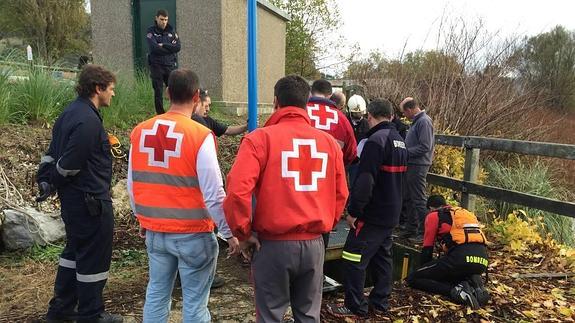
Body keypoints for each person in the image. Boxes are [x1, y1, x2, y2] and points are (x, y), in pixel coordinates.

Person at [223, 75, 349, 323]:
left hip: (273, 245)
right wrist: (324, 226)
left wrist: (243, 232)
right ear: (306, 104)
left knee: (270, 315)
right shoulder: (329, 144)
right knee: (309, 316)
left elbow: (237, 191)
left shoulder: (259, 139)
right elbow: (341, 194)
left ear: (275, 102)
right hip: (314, 244)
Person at [127, 69, 240, 323]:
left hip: (155, 233)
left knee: (156, 294)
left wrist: (143, 220)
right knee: (195, 304)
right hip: (193, 235)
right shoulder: (200, 135)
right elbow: (213, 193)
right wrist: (229, 232)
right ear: (196, 96)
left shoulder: (140, 131)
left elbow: (133, 185)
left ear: (167, 93)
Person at [36, 65, 123, 323]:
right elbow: (70, 163)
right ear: (98, 89)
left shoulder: (69, 113)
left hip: (74, 202)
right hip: (90, 202)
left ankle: (61, 309)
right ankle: (91, 313)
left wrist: (45, 179)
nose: (113, 95)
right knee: (93, 260)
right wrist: (53, 179)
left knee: (74, 253)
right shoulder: (87, 120)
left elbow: (52, 152)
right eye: (111, 90)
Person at [328, 99, 407, 318]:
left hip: (372, 214)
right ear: (391, 116)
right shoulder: (399, 140)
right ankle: (380, 302)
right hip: (391, 212)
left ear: (370, 116)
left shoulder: (375, 141)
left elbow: (365, 180)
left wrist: (354, 211)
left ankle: (355, 306)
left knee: (353, 258)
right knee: (382, 258)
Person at [191, 88, 247, 290]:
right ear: (196, 102)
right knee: (203, 236)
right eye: (206, 106)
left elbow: (227, 130)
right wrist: (229, 231)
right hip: (199, 186)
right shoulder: (193, 127)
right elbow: (214, 194)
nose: (208, 109)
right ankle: (204, 277)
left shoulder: (206, 121)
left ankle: (189, 275)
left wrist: (247, 126)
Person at [407, 195, 490, 309]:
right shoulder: (462, 213)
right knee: (455, 269)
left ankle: (455, 291)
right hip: (482, 260)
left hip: (459, 258)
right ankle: (475, 285)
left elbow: (427, 249)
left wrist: (425, 269)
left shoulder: (433, 215)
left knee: (413, 278)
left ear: (431, 208)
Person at [399, 97, 434, 242]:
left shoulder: (424, 122)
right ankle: (411, 228)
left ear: (410, 109)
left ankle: (424, 232)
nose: (404, 116)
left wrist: (405, 152)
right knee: (409, 197)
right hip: (412, 164)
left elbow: (425, 146)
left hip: (419, 165)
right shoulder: (417, 122)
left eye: (404, 112)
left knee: (419, 199)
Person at [307, 79, 357, 166]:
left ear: (311, 93)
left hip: (299, 173)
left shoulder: (301, 112)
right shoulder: (342, 119)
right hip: (331, 173)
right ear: (330, 96)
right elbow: (351, 152)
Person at [147, 9, 181, 115]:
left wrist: (164, 45)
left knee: (173, 90)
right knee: (158, 91)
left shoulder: (172, 31)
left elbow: (178, 47)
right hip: (156, 66)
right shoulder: (151, 31)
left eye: (166, 20)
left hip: (170, 66)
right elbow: (154, 48)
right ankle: (160, 114)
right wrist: (168, 49)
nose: (164, 22)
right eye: (161, 19)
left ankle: (174, 113)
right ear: (156, 18)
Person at [345, 94, 369, 186]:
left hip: (360, 159)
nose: (358, 115)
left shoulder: (367, 124)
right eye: (356, 113)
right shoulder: (345, 121)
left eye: (360, 112)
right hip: (347, 157)